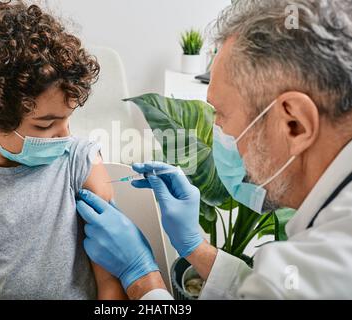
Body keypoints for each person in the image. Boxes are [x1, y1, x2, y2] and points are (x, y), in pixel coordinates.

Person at [77, 0, 352, 299]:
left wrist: (141, 275)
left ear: (294, 124)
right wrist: (196, 247)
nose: (216, 130)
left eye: (220, 113)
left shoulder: (324, 269)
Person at [0, 0, 126, 299]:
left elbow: (111, 287)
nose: (65, 136)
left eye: (67, 119)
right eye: (45, 125)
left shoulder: (81, 164)